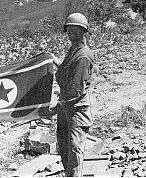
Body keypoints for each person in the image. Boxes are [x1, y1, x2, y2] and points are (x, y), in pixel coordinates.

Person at [52, 13, 94, 177]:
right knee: (64, 147)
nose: (70, 34)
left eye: (74, 30)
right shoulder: (73, 51)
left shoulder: (83, 55)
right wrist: (54, 61)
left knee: (74, 150)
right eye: (68, 30)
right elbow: (64, 74)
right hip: (66, 108)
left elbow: (76, 89)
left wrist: (57, 106)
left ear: (84, 32)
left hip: (76, 110)